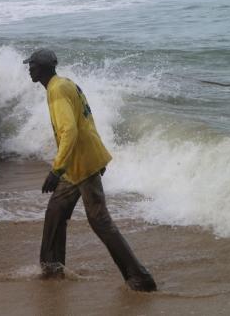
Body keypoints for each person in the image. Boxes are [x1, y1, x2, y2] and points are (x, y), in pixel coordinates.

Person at [24, 48, 157, 292]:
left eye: (31, 65)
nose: (28, 69)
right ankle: (52, 269)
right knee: (56, 210)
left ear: (41, 68)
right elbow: (83, 122)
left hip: (81, 164)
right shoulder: (63, 83)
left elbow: (70, 131)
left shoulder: (56, 90)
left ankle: (140, 277)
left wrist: (56, 169)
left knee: (100, 221)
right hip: (77, 163)